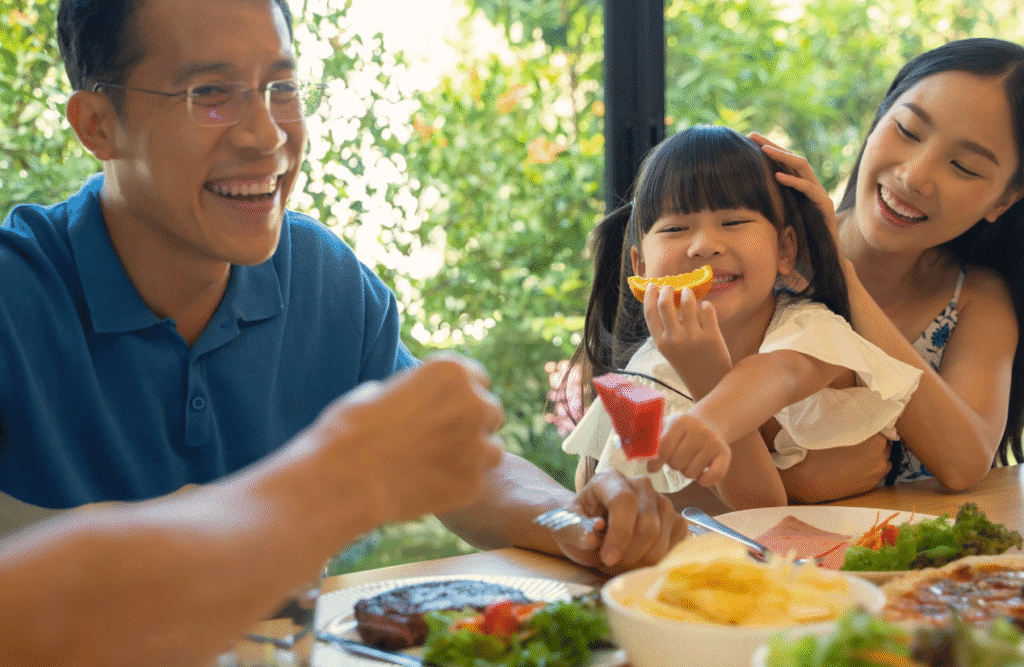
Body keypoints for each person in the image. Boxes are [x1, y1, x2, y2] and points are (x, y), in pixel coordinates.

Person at [0, 0, 687, 574]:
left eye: (282, 87)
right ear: (97, 125)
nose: (267, 134)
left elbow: (455, 466)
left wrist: (571, 517)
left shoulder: (323, 279)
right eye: (209, 93)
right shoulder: (16, 296)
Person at [0, 354, 506, 667]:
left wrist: (569, 520)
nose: (271, 170)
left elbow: (466, 454)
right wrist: (344, 480)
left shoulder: (327, 272)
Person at [562, 126, 921, 512]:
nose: (704, 246)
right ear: (642, 267)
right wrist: (798, 483)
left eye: (733, 222)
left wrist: (712, 415)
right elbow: (603, 489)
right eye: (675, 229)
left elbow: (780, 374)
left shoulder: (808, 329)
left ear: (785, 249)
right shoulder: (640, 380)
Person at [756, 37, 1024, 494]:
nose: (914, 176)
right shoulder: (761, 254)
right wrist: (790, 480)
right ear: (879, 116)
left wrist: (844, 281)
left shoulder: (976, 299)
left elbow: (965, 462)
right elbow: (641, 451)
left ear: (1004, 200)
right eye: (908, 130)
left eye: (963, 166)